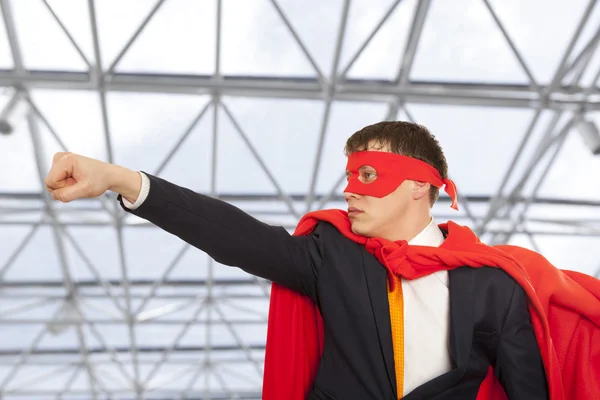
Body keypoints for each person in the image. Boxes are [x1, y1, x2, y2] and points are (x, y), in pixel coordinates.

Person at [45, 121, 600, 400]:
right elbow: (232, 234)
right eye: (350, 173)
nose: (349, 189)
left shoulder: (494, 284)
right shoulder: (329, 254)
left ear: (419, 188)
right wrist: (120, 179)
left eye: (367, 176)